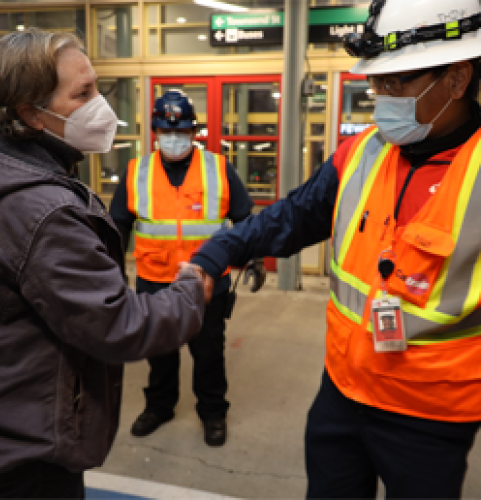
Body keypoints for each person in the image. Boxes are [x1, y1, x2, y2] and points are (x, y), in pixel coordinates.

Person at [192, 0, 481, 497]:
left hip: (432, 416)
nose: (380, 96)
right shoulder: (363, 152)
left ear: (457, 79)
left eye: (396, 83)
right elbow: (293, 217)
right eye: (377, 83)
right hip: (342, 395)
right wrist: (218, 252)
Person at [0, 29, 206, 500]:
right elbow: (118, 324)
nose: (100, 105)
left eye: (97, 87)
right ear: (29, 113)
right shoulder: (44, 212)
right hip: (27, 448)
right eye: (82, 94)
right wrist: (192, 291)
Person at [109, 89, 265, 447]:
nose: (174, 138)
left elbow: (244, 218)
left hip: (208, 282)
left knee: (208, 352)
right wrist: (110, 269)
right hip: (155, 282)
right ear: (155, 132)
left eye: (181, 132)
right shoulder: (136, 171)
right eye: (166, 131)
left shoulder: (218, 168)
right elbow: (118, 226)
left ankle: (212, 412)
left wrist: (255, 257)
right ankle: (160, 407)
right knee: (159, 351)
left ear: (195, 133)